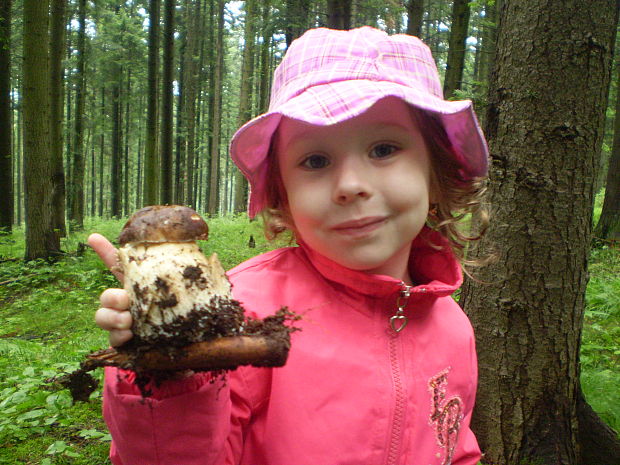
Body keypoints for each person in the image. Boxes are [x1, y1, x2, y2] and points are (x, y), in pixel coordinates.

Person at [89, 26, 489, 465]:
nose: (351, 185)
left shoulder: (452, 325)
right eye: (315, 161)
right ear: (283, 195)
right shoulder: (241, 313)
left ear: (436, 172)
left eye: (384, 148)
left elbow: (454, 444)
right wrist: (166, 366)